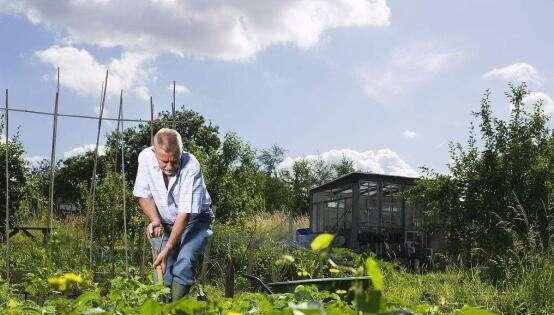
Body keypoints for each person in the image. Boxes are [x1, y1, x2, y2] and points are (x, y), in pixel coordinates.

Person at [133, 128, 214, 301]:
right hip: (165, 220)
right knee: (162, 268)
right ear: (155, 152)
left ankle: (176, 309)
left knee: (184, 261)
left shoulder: (191, 167)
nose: (169, 166)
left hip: (195, 220)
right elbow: (142, 194)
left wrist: (168, 248)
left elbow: (184, 214)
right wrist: (155, 219)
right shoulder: (146, 158)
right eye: (164, 161)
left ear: (181, 152)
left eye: (174, 161)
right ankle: (162, 309)